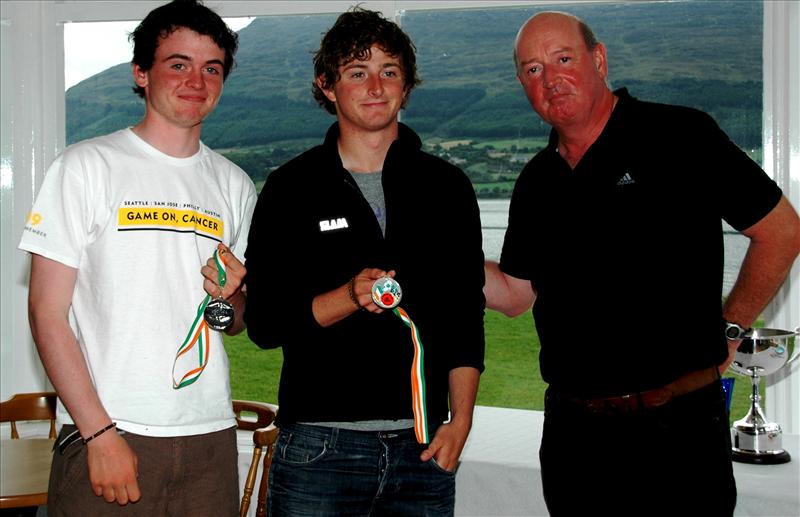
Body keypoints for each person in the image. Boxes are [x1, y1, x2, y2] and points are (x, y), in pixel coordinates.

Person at [484, 10, 800, 517]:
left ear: (599, 59)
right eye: (533, 69)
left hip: (677, 432)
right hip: (574, 439)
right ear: (523, 83)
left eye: (563, 59)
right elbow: (516, 294)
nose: (551, 78)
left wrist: (733, 325)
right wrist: (440, 253)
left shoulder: (681, 135)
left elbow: (780, 230)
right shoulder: (537, 181)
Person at [243, 6, 485, 516]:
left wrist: (459, 420)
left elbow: (465, 315)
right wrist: (350, 297)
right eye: (357, 72)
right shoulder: (291, 188)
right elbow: (264, 323)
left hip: (425, 448)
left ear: (406, 86)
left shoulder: (447, 187)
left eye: (389, 71)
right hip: (318, 450)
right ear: (328, 86)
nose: (375, 86)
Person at [18, 0, 256, 514]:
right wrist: (99, 433)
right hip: (107, 431)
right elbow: (46, 313)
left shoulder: (235, 185)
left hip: (209, 434)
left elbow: (232, 322)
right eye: (178, 63)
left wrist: (231, 297)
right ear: (141, 73)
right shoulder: (85, 166)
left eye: (211, 68)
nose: (196, 80)